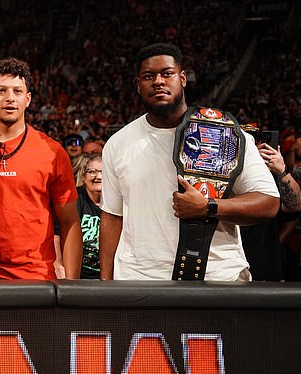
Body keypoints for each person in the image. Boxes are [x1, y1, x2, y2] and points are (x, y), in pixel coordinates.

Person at [99, 43, 280, 281]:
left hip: (218, 277)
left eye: (167, 73)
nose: (158, 81)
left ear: (182, 78)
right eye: (148, 76)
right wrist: (105, 282)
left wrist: (209, 207)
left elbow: (268, 203)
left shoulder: (226, 134)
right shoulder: (118, 143)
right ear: (138, 85)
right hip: (139, 280)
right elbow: (112, 217)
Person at [0, 57, 82, 280]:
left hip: (36, 279)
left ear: (27, 99)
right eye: (1, 91)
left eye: (17, 91)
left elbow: (69, 221)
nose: (10, 98)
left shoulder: (52, 152)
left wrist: (73, 284)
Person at [240, 127, 301, 281]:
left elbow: (295, 206)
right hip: (230, 262)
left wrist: (281, 170)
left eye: (255, 141)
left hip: (263, 262)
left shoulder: (271, 175)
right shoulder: (223, 171)